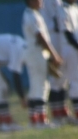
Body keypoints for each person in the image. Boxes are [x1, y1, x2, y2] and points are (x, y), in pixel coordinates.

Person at [23, 0, 64, 128]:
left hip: (34, 53)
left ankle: (34, 120)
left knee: (36, 86)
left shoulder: (31, 14)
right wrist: (54, 54)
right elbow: (40, 37)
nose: (41, 1)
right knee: (42, 86)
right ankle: (41, 121)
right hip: (37, 53)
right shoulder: (32, 15)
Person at [41, 0, 74, 122]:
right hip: (52, 35)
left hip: (60, 35)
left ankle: (63, 110)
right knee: (55, 77)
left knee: (63, 76)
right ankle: (56, 113)